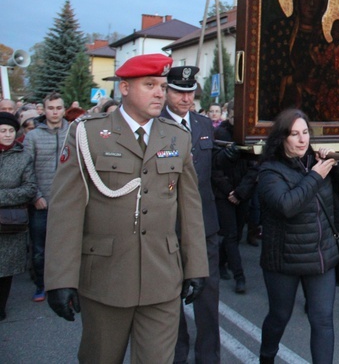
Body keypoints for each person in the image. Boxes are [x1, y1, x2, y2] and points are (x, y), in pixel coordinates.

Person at [43, 53, 209, 364]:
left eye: (162, 85)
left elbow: (190, 209)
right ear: (124, 88)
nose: (160, 92)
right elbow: (66, 211)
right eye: (150, 85)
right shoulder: (88, 133)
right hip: (106, 278)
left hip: (163, 278)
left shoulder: (177, 137)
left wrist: (196, 267)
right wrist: (60, 279)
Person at [256, 109, 339, 363]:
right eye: (294, 134)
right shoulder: (270, 171)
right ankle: (266, 356)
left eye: (305, 133)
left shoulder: (317, 162)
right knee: (280, 315)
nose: (302, 140)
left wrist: (336, 165)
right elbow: (287, 206)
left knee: (323, 319)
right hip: (284, 258)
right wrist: (316, 176)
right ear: (282, 139)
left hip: (320, 256)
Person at [163, 65, 223, 364]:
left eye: (189, 92)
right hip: (167, 226)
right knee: (170, 297)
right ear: (166, 91)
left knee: (208, 296)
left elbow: (212, 174)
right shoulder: (155, 124)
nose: (185, 98)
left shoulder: (202, 124)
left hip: (204, 223)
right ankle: (177, 353)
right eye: (178, 92)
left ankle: (208, 356)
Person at [23, 91, 68, 302]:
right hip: (41, 203)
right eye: (51, 108)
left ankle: (65, 286)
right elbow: (27, 169)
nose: (55, 112)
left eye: (58, 108)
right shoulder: (33, 136)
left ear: (64, 109)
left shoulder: (74, 132)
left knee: (66, 249)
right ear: (44, 110)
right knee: (40, 249)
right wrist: (35, 196)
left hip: (67, 203)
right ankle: (41, 285)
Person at [212, 100, 258, 292]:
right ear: (229, 116)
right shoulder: (220, 134)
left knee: (237, 234)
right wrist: (229, 191)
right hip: (224, 194)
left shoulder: (249, 136)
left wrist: (240, 192)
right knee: (230, 234)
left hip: (242, 193)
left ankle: (222, 262)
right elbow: (215, 168)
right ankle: (239, 276)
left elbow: (254, 166)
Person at [0, 112, 38, 321]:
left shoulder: (23, 156)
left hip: (9, 222)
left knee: (6, 270)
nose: (7, 135)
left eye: (11, 131)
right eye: (3, 131)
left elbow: (29, 189)